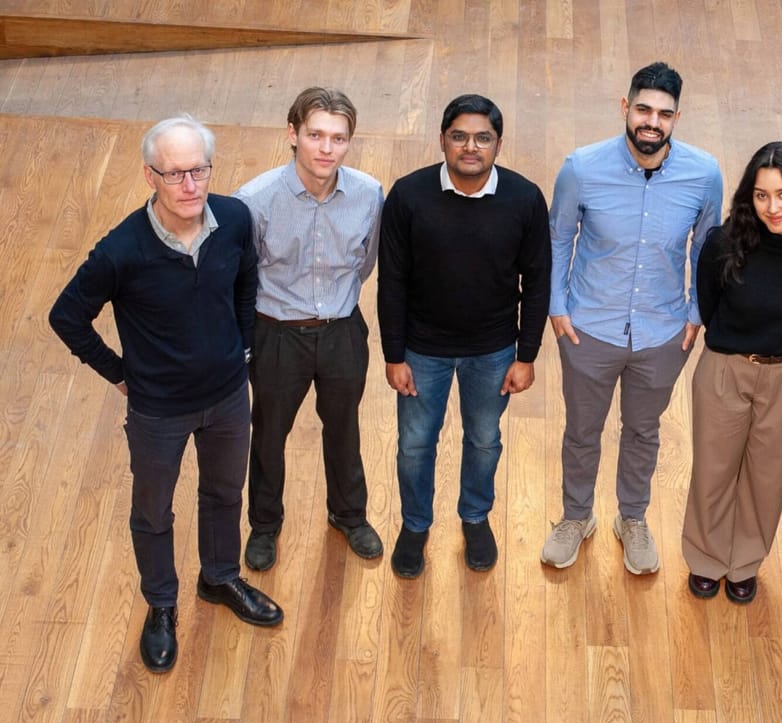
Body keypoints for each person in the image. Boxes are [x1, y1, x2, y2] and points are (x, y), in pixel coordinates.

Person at [48, 115, 283, 674]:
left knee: (225, 493)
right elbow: (66, 316)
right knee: (153, 512)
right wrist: (120, 374)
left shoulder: (234, 219)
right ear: (149, 176)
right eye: (174, 173)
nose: (189, 185)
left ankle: (219, 577)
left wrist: (243, 348)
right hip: (158, 410)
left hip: (228, 396)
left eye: (199, 170)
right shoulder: (121, 251)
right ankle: (160, 604)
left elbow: (246, 281)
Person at [540, 61, 723, 575]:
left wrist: (696, 311)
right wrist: (557, 307)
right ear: (625, 107)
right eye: (643, 109)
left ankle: (633, 518)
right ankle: (576, 517)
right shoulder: (581, 168)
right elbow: (558, 237)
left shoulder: (704, 174)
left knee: (643, 432)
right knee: (582, 431)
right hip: (588, 328)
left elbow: (707, 248)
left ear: (677, 118)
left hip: (663, 333)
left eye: (664, 114)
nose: (652, 122)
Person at [378, 94, 551, 577]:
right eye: (459, 136)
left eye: (482, 138)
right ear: (442, 140)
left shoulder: (524, 199)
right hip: (421, 350)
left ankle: (475, 517)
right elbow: (391, 281)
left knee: (484, 440)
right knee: (415, 445)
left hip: (493, 352)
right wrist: (394, 354)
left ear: (498, 144)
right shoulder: (408, 196)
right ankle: (415, 525)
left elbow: (538, 281)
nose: (470, 147)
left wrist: (526, 355)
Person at [682, 142, 782, 603]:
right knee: (713, 470)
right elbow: (710, 306)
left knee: (768, 477)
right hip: (725, 368)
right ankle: (706, 558)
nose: (773, 207)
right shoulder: (723, 243)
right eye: (761, 195)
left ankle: (744, 563)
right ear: (748, 196)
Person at [234, 87, 385, 571]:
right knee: (269, 433)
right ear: (292, 134)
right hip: (276, 334)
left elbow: (365, 262)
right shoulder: (254, 201)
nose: (326, 148)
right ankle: (264, 525)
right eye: (316, 135)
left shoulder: (369, 194)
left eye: (338, 138)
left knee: (344, 427)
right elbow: (241, 276)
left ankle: (349, 515)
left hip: (342, 330)